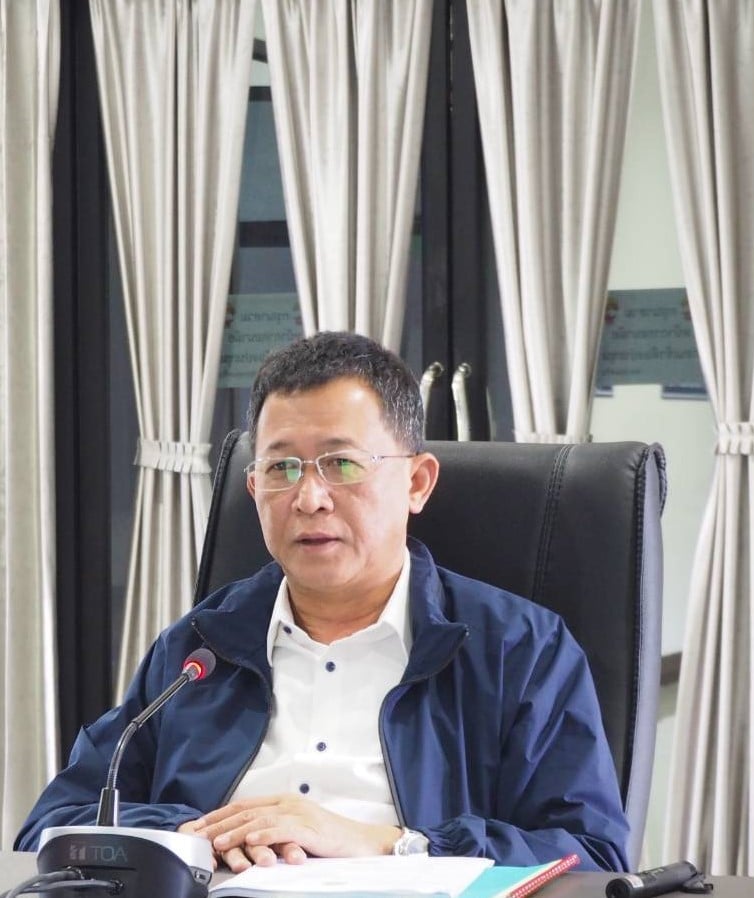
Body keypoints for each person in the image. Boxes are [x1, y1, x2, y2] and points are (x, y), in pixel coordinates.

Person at [16, 331, 629, 873]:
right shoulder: (201, 647)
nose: (309, 498)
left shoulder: (520, 649)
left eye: (340, 463)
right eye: (281, 468)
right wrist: (197, 837)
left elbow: (589, 854)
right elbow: (56, 824)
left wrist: (389, 843)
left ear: (416, 483)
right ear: (253, 488)